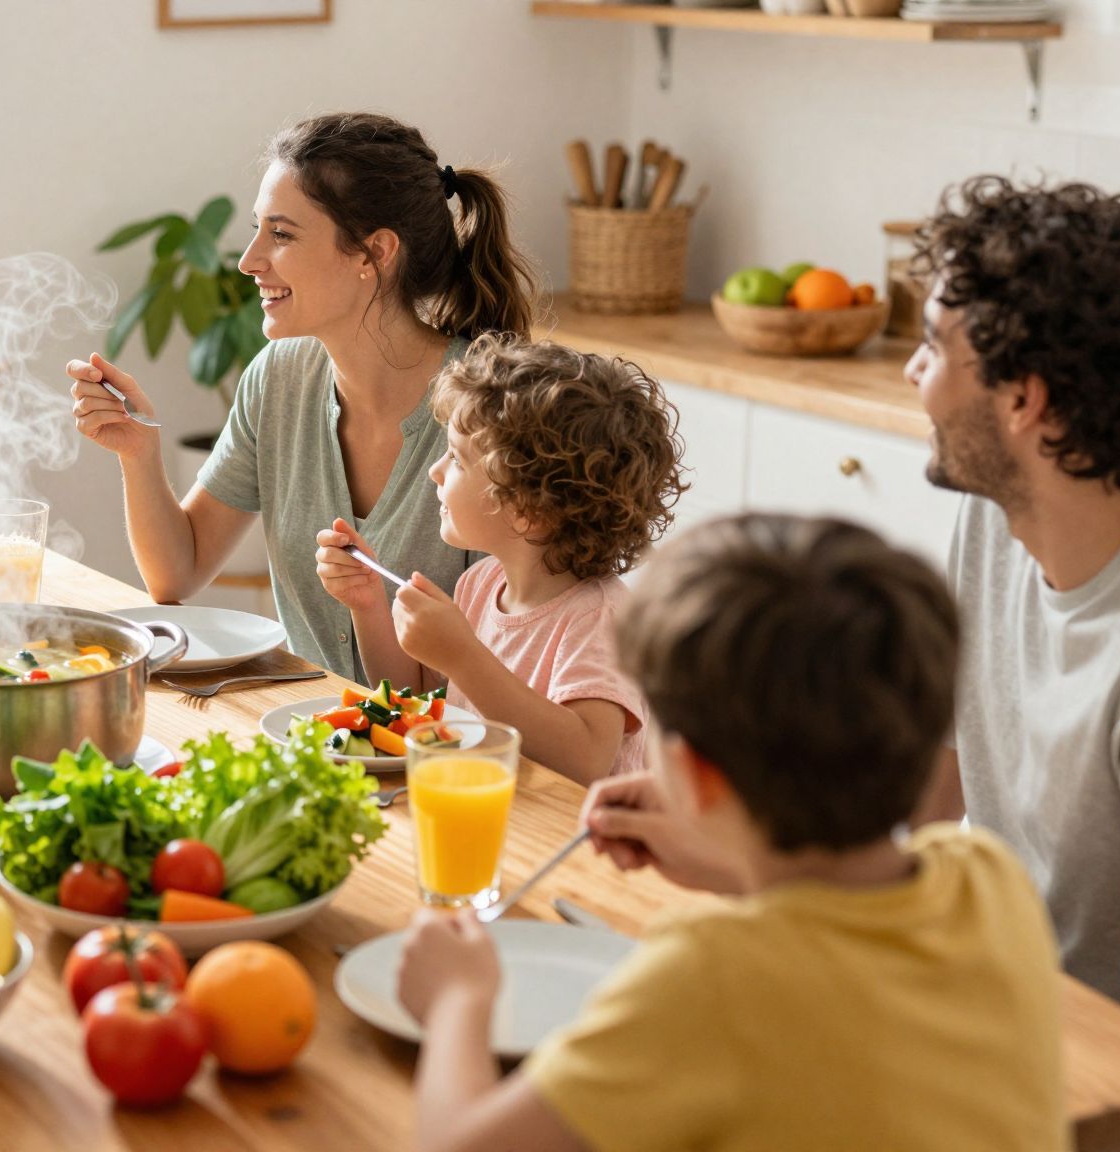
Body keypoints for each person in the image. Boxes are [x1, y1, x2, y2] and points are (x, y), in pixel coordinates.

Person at [396, 513, 1065, 1152]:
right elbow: (840, 942)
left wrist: (459, 1000)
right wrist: (727, 862)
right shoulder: (986, 874)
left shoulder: (709, 974)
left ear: (696, 773)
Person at [906, 176, 1120, 1066]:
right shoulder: (1000, 510)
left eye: (932, 346)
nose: (912, 374)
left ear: (1023, 401)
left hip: (1116, 1093)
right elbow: (934, 793)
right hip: (1002, 1020)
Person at [69, 111, 542, 681]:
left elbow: (516, 658)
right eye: (258, 229)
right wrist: (138, 452)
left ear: (374, 253)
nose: (248, 261)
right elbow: (177, 573)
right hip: (304, 721)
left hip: (450, 737)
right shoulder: (278, 377)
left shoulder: (487, 411)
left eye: (282, 234)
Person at [314, 335, 681, 783]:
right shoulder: (482, 583)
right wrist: (367, 603)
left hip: (565, 827)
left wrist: (464, 657)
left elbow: (586, 760)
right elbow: (416, 698)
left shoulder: (600, 618)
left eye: (457, 459)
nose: (435, 471)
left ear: (530, 509)